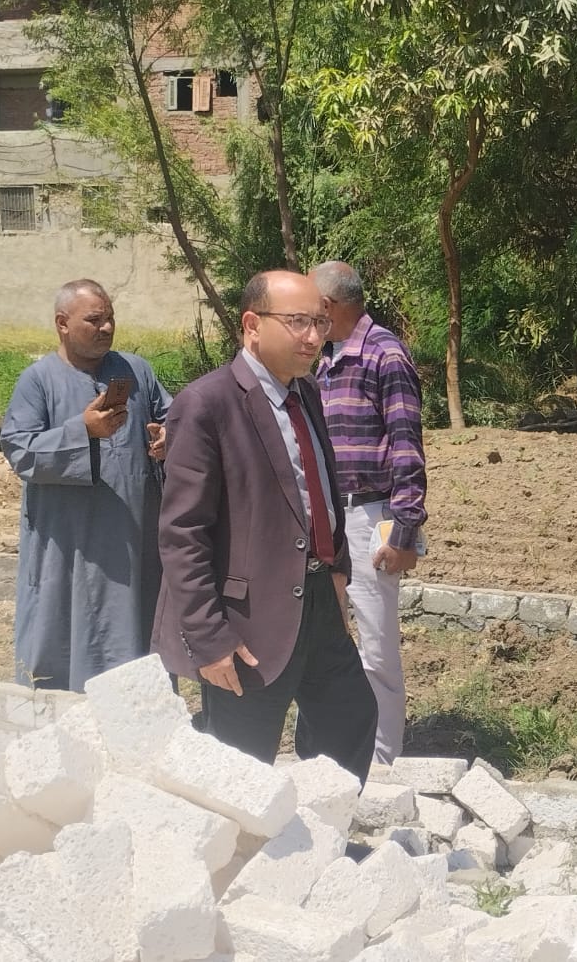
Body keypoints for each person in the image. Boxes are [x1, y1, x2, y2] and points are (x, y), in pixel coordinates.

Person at [152, 270, 377, 780]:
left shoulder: (306, 393)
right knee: (242, 766)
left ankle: (318, 825)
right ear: (252, 325)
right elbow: (183, 534)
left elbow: (319, 489)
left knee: (350, 720)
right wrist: (209, 638)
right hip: (246, 620)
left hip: (317, 602)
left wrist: (336, 569)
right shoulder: (207, 404)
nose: (314, 337)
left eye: (320, 323)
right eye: (298, 322)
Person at [1, 279, 171, 693]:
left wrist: (169, 437)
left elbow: (172, 417)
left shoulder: (135, 370)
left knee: (138, 633)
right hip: (68, 542)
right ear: (62, 323)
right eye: (94, 320)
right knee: (65, 631)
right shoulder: (38, 380)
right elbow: (20, 450)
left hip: (133, 537)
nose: (106, 327)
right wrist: (83, 431)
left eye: (110, 317)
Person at [311, 260, 427, 765]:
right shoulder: (324, 358)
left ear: (328, 306)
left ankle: (382, 762)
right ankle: (340, 751)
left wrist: (404, 530)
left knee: (376, 649)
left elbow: (406, 445)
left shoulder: (384, 354)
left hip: (370, 516)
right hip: (330, 518)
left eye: (311, 310)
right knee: (330, 643)